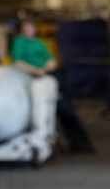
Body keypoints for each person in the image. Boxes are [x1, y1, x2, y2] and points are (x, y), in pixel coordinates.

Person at [10, 12, 95, 154]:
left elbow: (52, 61)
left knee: (66, 109)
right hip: (33, 80)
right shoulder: (19, 42)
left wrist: (46, 68)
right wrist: (36, 70)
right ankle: (42, 142)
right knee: (44, 111)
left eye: (31, 26)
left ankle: (80, 143)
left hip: (49, 78)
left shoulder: (39, 43)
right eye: (26, 26)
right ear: (22, 29)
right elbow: (17, 62)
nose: (29, 29)